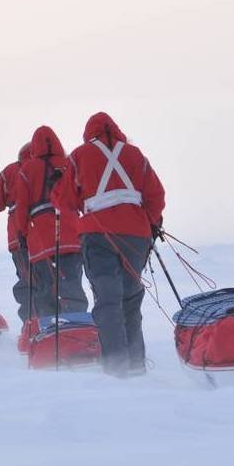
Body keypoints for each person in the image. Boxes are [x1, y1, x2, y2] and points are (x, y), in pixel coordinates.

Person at [53, 112, 165, 378]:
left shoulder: (80, 156)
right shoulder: (136, 155)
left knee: (107, 300)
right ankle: (136, 365)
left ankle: (116, 369)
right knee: (130, 299)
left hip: (98, 234)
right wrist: (149, 222)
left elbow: (64, 200)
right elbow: (156, 196)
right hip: (136, 236)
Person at [13, 126, 89, 318]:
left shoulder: (27, 169)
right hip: (72, 236)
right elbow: (81, 198)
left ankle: (48, 331)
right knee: (72, 284)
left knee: (45, 288)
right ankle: (77, 326)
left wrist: (22, 233)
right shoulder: (68, 164)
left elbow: (21, 206)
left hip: (41, 240)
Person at [0, 143, 33, 322]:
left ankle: (31, 325)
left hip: (19, 236)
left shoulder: (11, 171)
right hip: (60, 237)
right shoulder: (58, 165)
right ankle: (70, 325)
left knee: (28, 282)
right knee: (62, 281)